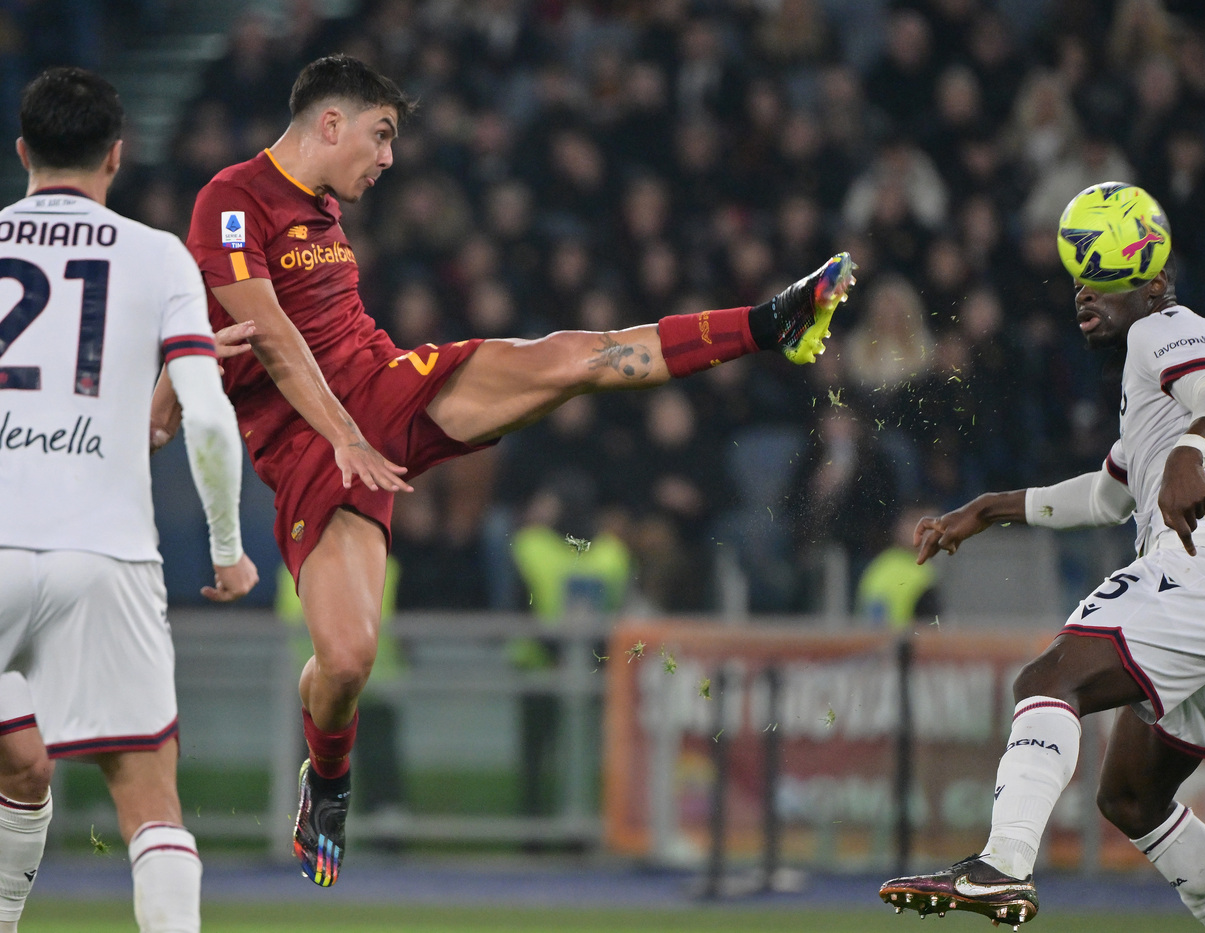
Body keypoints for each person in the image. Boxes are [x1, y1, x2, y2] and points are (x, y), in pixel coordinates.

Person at [159, 54, 856, 887]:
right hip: (314, 446)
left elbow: (270, 333)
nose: (388, 157)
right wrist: (194, 391)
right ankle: (329, 780)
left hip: (382, 395)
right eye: (380, 136)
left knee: (568, 357)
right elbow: (266, 331)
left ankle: (767, 322)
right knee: (346, 661)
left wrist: (304, 407)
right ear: (330, 122)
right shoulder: (233, 197)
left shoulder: (326, 213)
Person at [879, 250, 1205, 933]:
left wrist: (1190, 453)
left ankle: (1004, 862)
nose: (1082, 293)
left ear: (1155, 285)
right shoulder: (1155, 395)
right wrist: (984, 508)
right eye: (1077, 280)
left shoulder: (1166, 328)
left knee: (1047, 681)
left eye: (1101, 279)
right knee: (1132, 799)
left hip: (1202, 568)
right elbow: (1104, 497)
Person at [0, 68, 257, 932]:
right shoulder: (158, 257)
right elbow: (212, 424)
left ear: (23, 150)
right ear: (119, 153)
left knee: (18, 765)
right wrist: (226, 545)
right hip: (106, 555)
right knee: (149, 803)